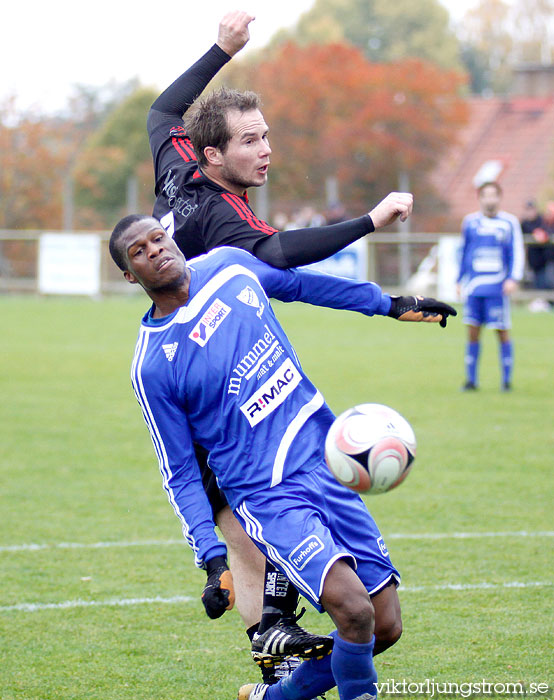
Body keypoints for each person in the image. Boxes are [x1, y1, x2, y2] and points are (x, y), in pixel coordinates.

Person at [147, 9, 416, 678]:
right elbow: (283, 258)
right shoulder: (226, 223)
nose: (266, 150)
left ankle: (268, 633)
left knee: (253, 535)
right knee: (252, 527)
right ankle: (268, 637)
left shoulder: (180, 168)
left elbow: (162, 110)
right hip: (215, 390)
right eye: (249, 141)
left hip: (228, 375)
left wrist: (220, 50)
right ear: (213, 153)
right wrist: (371, 221)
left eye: (267, 136)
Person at [109, 214, 456, 700]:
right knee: (354, 611)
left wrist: (390, 304)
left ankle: (276, 698)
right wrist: (212, 561)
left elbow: (302, 285)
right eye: (139, 252)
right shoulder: (151, 366)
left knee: (384, 626)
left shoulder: (231, 267)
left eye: (158, 238)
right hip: (265, 493)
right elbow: (180, 470)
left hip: (326, 459)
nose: (155, 250)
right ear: (130, 275)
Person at [457, 181, 525, 392]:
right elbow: (464, 252)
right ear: (480, 198)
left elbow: (517, 251)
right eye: (485, 195)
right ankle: (471, 380)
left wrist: (513, 277)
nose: (490, 199)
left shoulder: (509, 223)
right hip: (475, 286)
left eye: (493, 195)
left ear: (499, 197)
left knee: (502, 331)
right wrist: (459, 280)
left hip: (498, 286)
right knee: (472, 331)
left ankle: (506, 381)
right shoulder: (470, 222)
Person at [520, 200, 552, 290]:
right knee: (535, 284)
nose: (530, 212)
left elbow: (548, 231)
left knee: (545, 283)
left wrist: (541, 234)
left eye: (532, 209)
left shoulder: (542, 221)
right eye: (528, 210)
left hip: (544, 260)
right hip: (532, 261)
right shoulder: (524, 223)